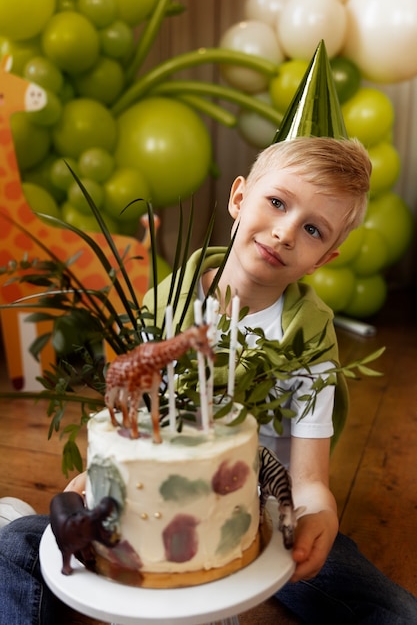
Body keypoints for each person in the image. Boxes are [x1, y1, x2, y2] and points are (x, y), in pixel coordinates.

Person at [1, 136, 416, 625]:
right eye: (277, 202)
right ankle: (15, 522)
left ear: (325, 258)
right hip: (148, 506)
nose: (285, 233)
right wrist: (96, 479)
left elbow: (306, 483)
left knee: (393, 612)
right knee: (19, 548)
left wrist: (318, 516)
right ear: (239, 197)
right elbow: (130, 424)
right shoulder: (164, 306)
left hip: (261, 511)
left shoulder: (307, 335)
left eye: (312, 229)